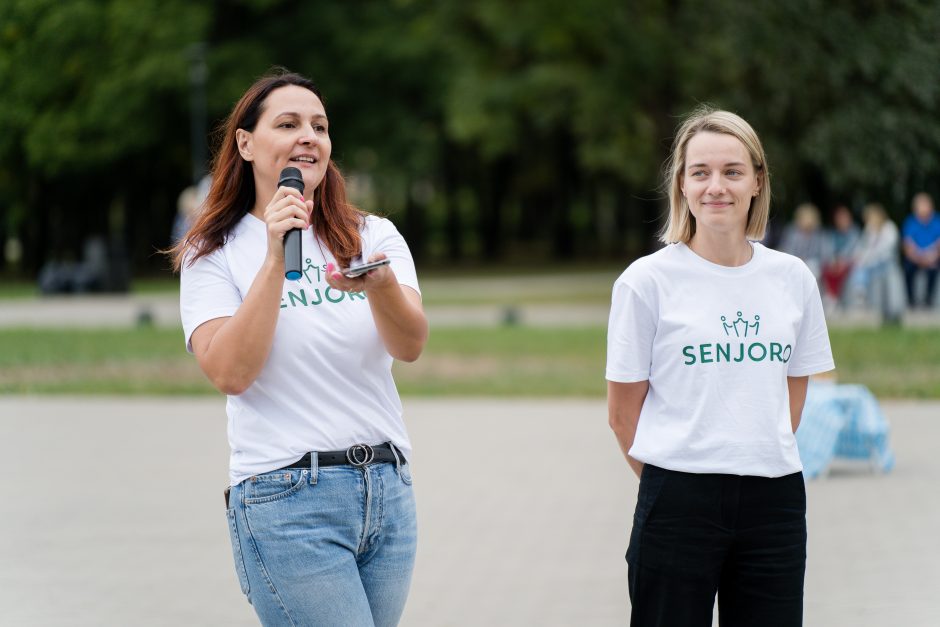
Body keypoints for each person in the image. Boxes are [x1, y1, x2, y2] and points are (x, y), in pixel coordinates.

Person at [170, 70, 428, 626]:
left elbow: (409, 345)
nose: (308, 136)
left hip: (386, 490)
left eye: (320, 126)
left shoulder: (372, 235)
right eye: (287, 124)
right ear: (245, 144)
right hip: (287, 503)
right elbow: (230, 371)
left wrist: (380, 285)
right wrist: (272, 257)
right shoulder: (211, 253)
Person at [606, 107, 834, 626]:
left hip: (773, 500)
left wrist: (747, 451)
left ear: (757, 181)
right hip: (677, 498)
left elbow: (791, 398)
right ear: (681, 185)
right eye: (700, 172)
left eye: (732, 171)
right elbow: (623, 416)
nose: (716, 187)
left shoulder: (792, 278)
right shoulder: (647, 281)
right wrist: (683, 474)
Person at [847, 203, 905, 322]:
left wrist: (868, 259)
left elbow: (885, 250)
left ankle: (893, 312)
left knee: (872, 267)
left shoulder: (889, 228)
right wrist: (858, 257)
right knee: (858, 267)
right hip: (873, 264)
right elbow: (863, 246)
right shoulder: (870, 229)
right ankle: (860, 292)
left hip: (887, 264)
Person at [901, 192, 940, 309]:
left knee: (933, 269)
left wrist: (932, 257)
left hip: (934, 257)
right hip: (915, 257)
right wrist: (919, 259)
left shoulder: (937, 221)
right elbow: (907, 246)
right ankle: (911, 300)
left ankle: (929, 299)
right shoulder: (910, 222)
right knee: (908, 268)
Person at [779, 202, 832, 281]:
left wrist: (810, 261)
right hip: (794, 264)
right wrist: (799, 260)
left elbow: (825, 256)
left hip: (814, 267)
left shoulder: (820, 234)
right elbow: (786, 251)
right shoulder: (792, 233)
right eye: (804, 218)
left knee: (812, 269)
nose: (807, 221)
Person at [820, 204, 860, 307]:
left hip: (849, 262)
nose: (841, 221)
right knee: (826, 268)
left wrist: (843, 260)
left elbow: (854, 250)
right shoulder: (833, 234)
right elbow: (828, 250)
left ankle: (837, 300)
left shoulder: (854, 232)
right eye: (839, 218)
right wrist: (833, 261)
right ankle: (831, 299)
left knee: (843, 270)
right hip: (835, 263)